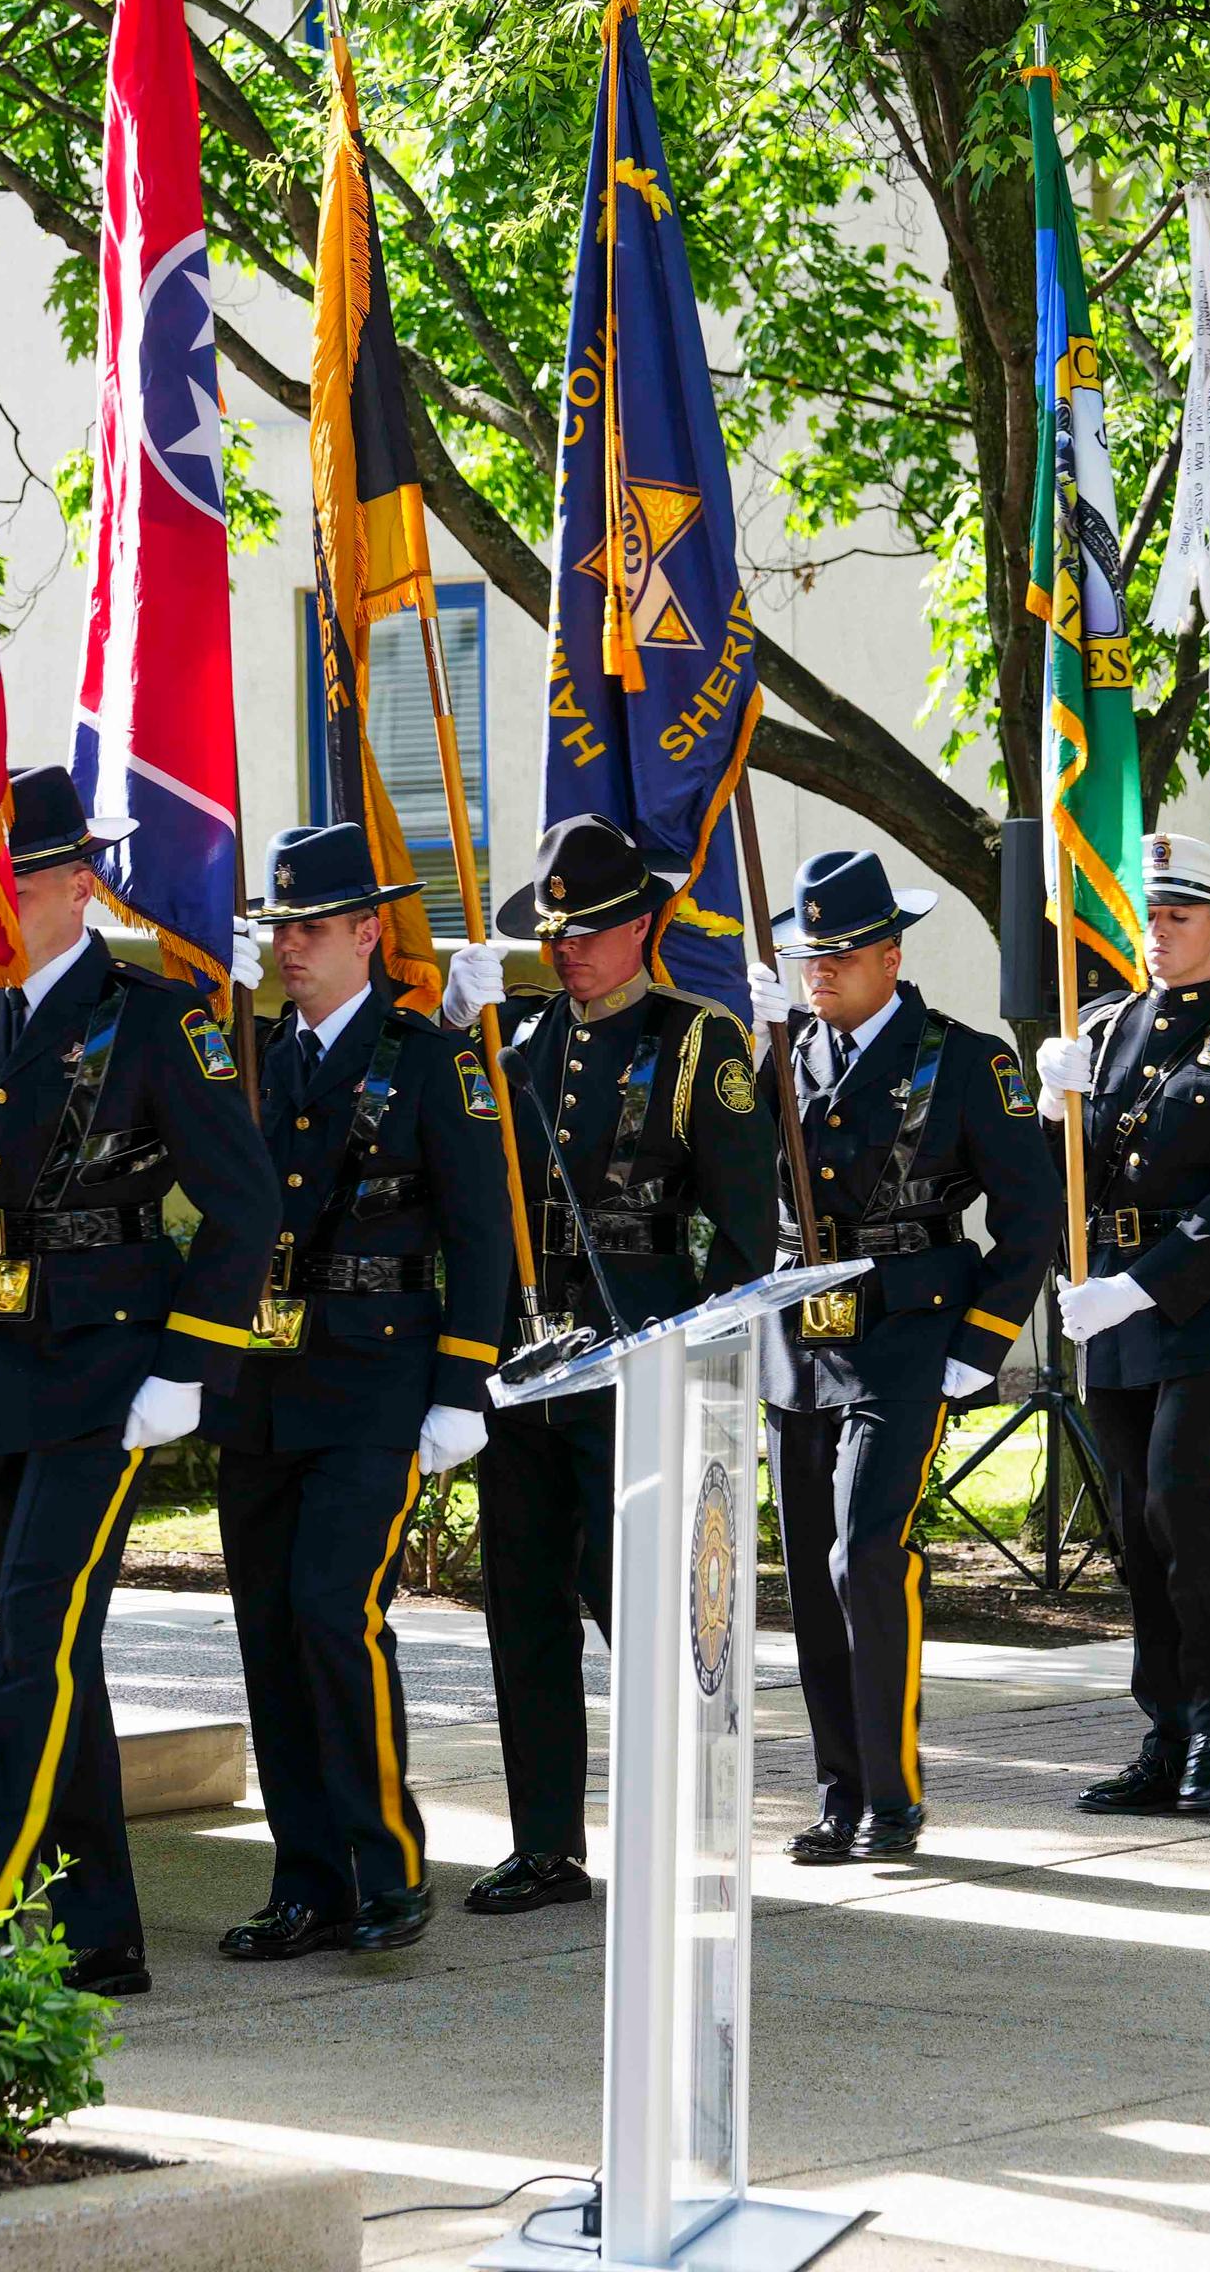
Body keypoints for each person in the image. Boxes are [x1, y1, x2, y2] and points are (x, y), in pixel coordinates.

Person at [0, 766, 278, 1996]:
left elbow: (245, 1205)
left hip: (107, 1364)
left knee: (34, 1633)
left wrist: (189, 1364)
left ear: (80, 882)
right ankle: (100, 1927)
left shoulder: (154, 1016)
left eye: (12, 876)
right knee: (51, 1643)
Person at [434, 813, 775, 1915]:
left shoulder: (695, 1040)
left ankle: (677, 1826)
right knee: (523, 1606)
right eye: (552, 934)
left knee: (641, 1609)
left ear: (641, 923)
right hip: (529, 1366)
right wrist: (448, 1030)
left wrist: (695, 1354)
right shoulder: (512, 1043)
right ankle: (546, 1843)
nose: (564, 951)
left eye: (585, 931)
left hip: (638, 1357)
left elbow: (741, 1230)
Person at [207, 823, 513, 1961]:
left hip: (378, 1381)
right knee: (269, 1636)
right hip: (263, 1387)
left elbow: (484, 1236)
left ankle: (386, 1865)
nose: (291, 946)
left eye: (313, 926)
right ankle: (306, 1884)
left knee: (335, 1612)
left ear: (367, 933)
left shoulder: (427, 1059)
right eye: (280, 926)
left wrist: (462, 1386)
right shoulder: (252, 1057)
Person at [753, 849, 1061, 1865]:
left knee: (863, 1557)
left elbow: (1030, 1215)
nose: (819, 972)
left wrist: (982, 1343)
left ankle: (892, 1792)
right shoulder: (782, 1054)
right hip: (798, 1342)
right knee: (807, 1573)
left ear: (890, 955)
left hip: (904, 1334)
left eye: (840, 954)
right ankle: (839, 1790)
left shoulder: (965, 1060)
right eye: (809, 955)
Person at [1037, 835, 1210, 1813]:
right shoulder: (1106, 1029)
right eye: (1152, 917)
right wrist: (1048, 1101)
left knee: (1177, 1498)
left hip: (1201, 1301)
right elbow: (1062, 1176)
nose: (1158, 933)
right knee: (1133, 1526)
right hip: (1106, 1300)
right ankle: (1167, 1731)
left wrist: (1142, 1285)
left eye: (1180, 917)